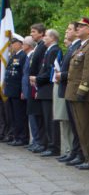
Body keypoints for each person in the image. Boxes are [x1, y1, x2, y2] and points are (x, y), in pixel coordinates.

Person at [65, 17, 89, 170]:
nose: (78, 28)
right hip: (73, 92)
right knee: (80, 128)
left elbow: (88, 72)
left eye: (81, 27)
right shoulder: (82, 46)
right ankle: (87, 157)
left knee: (87, 128)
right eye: (78, 26)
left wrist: (83, 90)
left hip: (83, 95)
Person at [56, 22, 83, 165]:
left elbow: (78, 71)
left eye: (69, 29)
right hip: (67, 87)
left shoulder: (79, 47)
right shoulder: (73, 46)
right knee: (74, 124)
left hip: (73, 88)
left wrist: (63, 75)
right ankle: (75, 151)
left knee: (78, 125)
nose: (66, 32)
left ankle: (79, 153)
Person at [31, 29, 61, 157]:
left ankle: (53, 146)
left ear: (53, 38)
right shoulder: (48, 50)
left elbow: (50, 71)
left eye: (46, 36)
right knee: (46, 119)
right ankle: (49, 144)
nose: (44, 39)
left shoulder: (54, 50)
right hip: (44, 89)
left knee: (50, 120)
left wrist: (37, 79)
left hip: (48, 89)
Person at [3, 34, 28, 146]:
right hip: (11, 90)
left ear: (20, 43)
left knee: (19, 115)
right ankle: (16, 136)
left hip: (18, 90)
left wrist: (23, 90)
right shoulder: (13, 57)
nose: (11, 45)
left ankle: (22, 137)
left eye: (13, 43)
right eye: (11, 43)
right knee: (13, 115)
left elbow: (23, 74)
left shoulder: (22, 56)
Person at [27, 23, 48, 153]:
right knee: (36, 115)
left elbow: (42, 67)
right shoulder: (38, 47)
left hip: (39, 84)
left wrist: (37, 80)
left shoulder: (43, 47)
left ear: (41, 33)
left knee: (41, 117)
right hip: (34, 83)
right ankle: (39, 141)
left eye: (34, 32)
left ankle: (42, 142)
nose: (31, 34)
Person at [21, 37, 37, 148]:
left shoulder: (32, 55)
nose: (22, 45)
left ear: (29, 45)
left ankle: (36, 140)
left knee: (34, 117)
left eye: (23, 43)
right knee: (31, 116)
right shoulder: (28, 57)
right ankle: (34, 140)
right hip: (27, 89)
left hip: (32, 89)